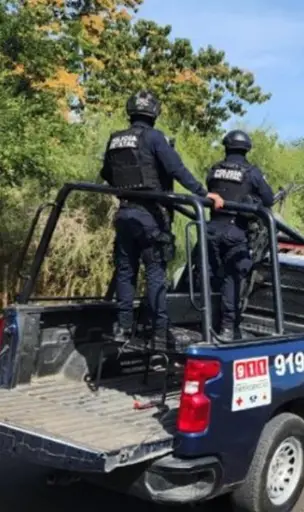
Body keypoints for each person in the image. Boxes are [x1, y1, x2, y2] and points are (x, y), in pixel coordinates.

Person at [100, 90, 224, 350]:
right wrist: (204, 194)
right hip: (151, 216)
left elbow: (107, 173)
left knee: (126, 271)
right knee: (155, 272)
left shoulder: (115, 139)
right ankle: (159, 331)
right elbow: (177, 170)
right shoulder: (155, 138)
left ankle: (122, 326)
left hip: (125, 213)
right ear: (154, 112)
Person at [205, 129, 275, 341]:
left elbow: (211, 187)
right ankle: (227, 329)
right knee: (232, 280)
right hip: (235, 231)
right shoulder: (251, 172)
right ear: (246, 149)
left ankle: (206, 323)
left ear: (226, 146)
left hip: (211, 229)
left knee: (210, 277)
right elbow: (269, 198)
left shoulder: (215, 169)